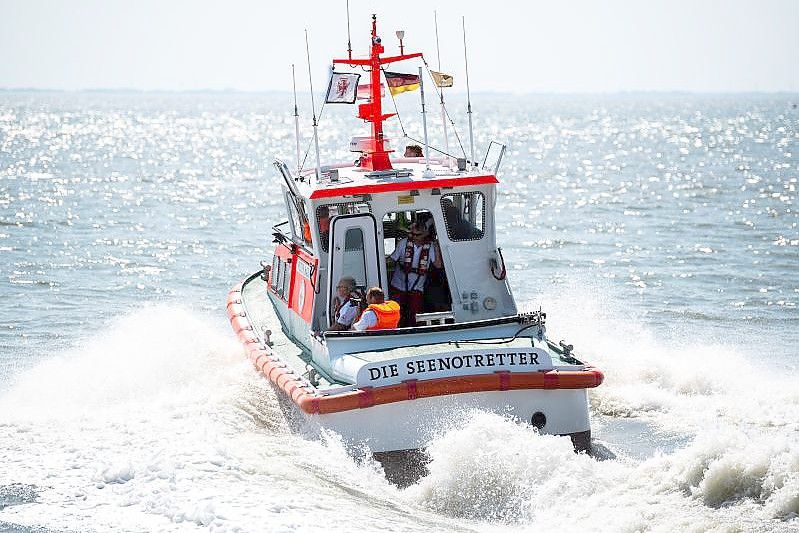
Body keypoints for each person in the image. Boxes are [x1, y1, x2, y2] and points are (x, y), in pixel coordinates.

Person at [388, 221, 443, 326]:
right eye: (412, 234)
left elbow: (438, 265)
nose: (413, 236)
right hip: (398, 284)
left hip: (417, 287)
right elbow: (392, 259)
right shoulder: (403, 243)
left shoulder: (430, 246)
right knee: (396, 312)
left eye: (417, 235)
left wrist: (436, 247)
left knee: (415, 314)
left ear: (425, 234)